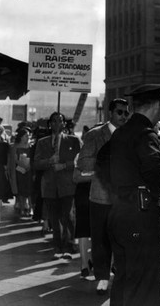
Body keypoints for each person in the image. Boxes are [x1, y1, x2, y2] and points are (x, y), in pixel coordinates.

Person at [108, 84, 160, 306]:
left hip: (118, 213)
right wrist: (158, 192)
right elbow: (153, 171)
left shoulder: (120, 132)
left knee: (123, 278)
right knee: (144, 282)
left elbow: (105, 169)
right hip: (140, 216)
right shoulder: (146, 134)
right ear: (154, 106)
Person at [75, 98, 129, 295]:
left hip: (124, 198)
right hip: (100, 196)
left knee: (122, 238)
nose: (124, 116)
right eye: (120, 112)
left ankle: (120, 275)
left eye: (126, 112)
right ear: (110, 114)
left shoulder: (130, 135)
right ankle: (102, 278)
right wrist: (106, 162)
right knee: (100, 240)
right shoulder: (95, 135)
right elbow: (83, 163)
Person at [34, 112, 82, 259]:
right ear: (50, 124)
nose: (57, 124)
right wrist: (49, 161)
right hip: (49, 187)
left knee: (67, 216)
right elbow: (35, 163)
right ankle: (58, 247)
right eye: (54, 121)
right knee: (54, 219)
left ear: (64, 124)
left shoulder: (73, 141)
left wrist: (64, 165)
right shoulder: (42, 142)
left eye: (60, 121)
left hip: (67, 186)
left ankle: (70, 244)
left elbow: (80, 162)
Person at [8, 127, 33, 217]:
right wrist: (21, 164)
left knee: (29, 190)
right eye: (26, 136)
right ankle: (22, 208)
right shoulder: (15, 146)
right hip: (19, 171)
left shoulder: (31, 146)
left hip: (29, 171)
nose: (28, 137)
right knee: (21, 191)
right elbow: (13, 160)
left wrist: (29, 166)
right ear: (21, 137)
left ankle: (30, 208)